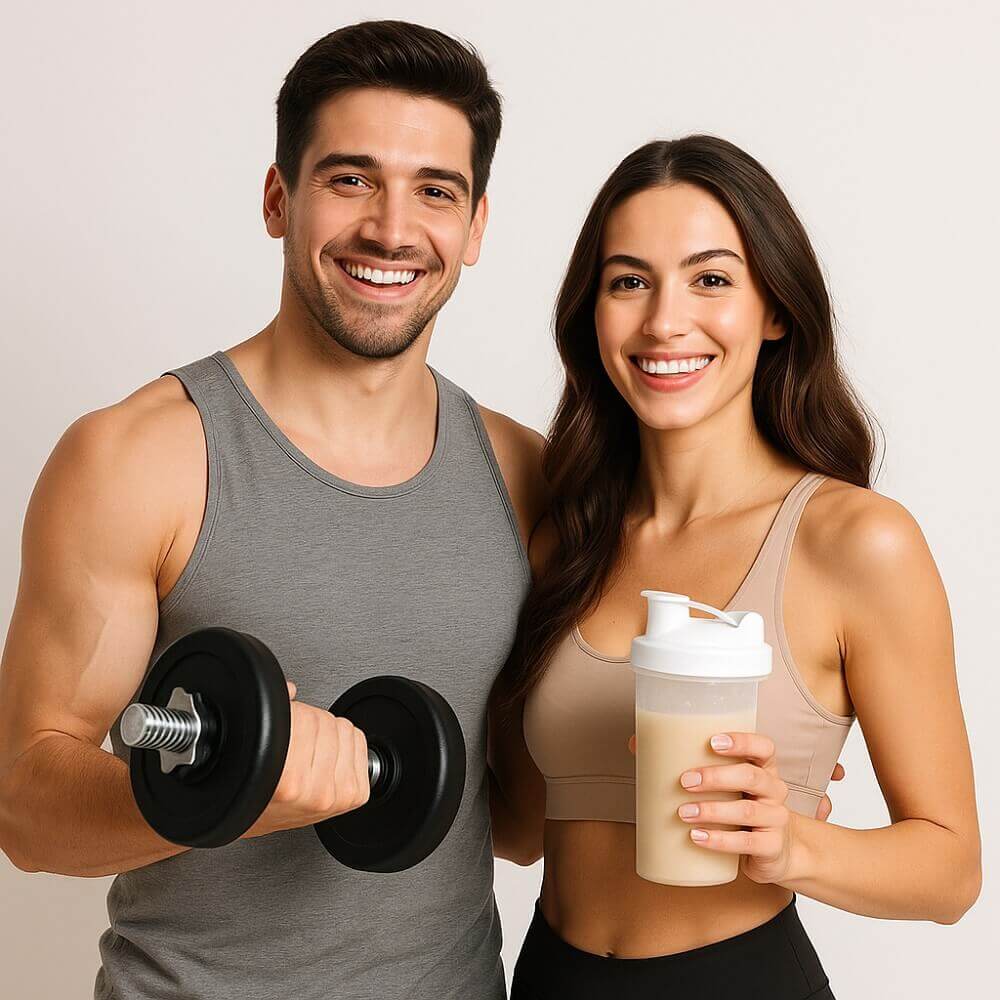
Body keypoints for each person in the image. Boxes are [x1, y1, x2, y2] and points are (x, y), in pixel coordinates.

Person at [0, 20, 548, 1000]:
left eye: (435, 189)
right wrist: (243, 789)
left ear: (474, 228)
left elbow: (515, 819)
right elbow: (24, 809)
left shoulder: (523, 474)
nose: (391, 226)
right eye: (350, 179)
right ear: (276, 198)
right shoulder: (139, 458)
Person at [487, 135, 982, 999]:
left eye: (711, 279)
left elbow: (951, 872)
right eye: (628, 281)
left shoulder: (855, 542)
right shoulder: (562, 535)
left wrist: (792, 844)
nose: (663, 321)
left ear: (776, 309)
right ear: (591, 312)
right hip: (548, 977)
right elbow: (521, 827)